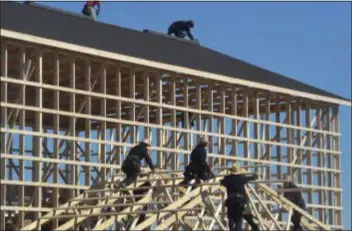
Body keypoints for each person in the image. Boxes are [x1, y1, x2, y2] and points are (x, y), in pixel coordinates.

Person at [220, 164, 258, 231]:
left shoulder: (228, 179)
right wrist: (255, 176)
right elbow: (251, 178)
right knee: (239, 220)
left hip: (231, 200)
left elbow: (222, 182)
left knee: (231, 218)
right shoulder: (242, 178)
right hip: (240, 200)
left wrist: (226, 178)